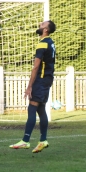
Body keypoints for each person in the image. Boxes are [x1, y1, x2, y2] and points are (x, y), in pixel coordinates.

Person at [9, 20, 56, 153]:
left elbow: (36, 66)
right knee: (41, 108)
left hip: (40, 80)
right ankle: (43, 140)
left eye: (42, 24)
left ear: (46, 30)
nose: (40, 25)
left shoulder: (42, 43)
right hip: (47, 79)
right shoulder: (51, 43)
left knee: (32, 106)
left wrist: (29, 86)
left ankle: (25, 140)